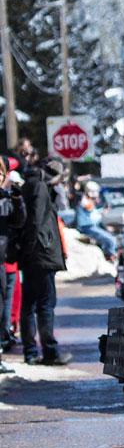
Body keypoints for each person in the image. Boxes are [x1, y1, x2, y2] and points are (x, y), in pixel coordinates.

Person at [18, 158, 70, 365]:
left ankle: (30, 352)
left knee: (29, 306)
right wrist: (35, 249)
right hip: (41, 256)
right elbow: (37, 223)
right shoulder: (40, 187)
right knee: (45, 305)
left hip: (33, 255)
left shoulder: (30, 184)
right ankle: (50, 352)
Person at [0, 157, 25, 372]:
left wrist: (17, 200)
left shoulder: (6, 198)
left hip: (4, 259)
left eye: (1, 173)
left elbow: (18, 222)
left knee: (3, 308)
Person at [76, 181, 117, 261]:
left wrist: (102, 211)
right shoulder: (85, 200)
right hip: (87, 227)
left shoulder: (88, 200)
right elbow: (90, 211)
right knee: (111, 240)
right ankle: (110, 256)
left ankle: (108, 255)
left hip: (91, 226)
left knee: (110, 239)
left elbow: (93, 213)